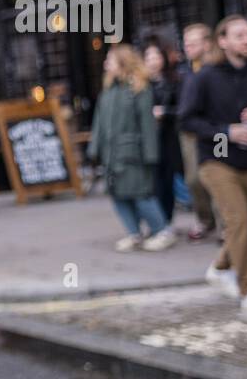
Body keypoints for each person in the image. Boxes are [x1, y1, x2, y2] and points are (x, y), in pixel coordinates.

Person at [180, 14, 247, 316]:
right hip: (216, 159)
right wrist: (226, 131)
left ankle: (220, 268)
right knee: (238, 220)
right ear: (223, 41)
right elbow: (187, 119)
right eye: (239, 35)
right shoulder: (205, 76)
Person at [88, 45, 176, 253]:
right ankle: (133, 233)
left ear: (123, 63)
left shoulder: (139, 89)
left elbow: (147, 125)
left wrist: (150, 155)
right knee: (118, 195)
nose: (106, 64)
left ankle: (162, 231)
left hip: (133, 154)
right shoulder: (107, 92)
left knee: (141, 194)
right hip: (111, 155)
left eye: (110, 60)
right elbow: (98, 124)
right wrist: (94, 150)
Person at [177, 23, 219, 240]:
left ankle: (225, 226)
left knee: (220, 177)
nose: (188, 47)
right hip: (191, 135)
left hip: (217, 133)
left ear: (207, 43)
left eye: (193, 42)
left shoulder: (216, 69)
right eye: (186, 43)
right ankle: (206, 220)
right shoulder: (186, 72)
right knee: (194, 179)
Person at [144, 38, 183, 225]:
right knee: (154, 182)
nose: (153, 60)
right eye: (148, 56)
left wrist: (164, 112)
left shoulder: (175, 80)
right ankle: (159, 222)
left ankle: (166, 220)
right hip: (148, 138)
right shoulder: (140, 85)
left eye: (156, 55)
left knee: (168, 179)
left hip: (170, 136)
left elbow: (184, 109)